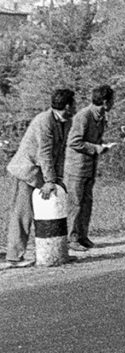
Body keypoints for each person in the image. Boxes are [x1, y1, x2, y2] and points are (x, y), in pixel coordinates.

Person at [5, 88, 76, 267]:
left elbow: (59, 153)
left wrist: (57, 179)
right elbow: (44, 153)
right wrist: (50, 181)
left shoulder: (66, 121)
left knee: (47, 210)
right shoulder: (44, 121)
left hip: (41, 170)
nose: (76, 106)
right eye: (74, 103)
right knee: (23, 213)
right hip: (27, 170)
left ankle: (53, 251)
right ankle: (14, 256)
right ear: (67, 106)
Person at [65, 85, 115, 252]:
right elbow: (73, 142)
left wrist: (103, 146)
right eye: (112, 100)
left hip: (89, 166)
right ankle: (71, 239)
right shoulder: (83, 116)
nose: (114, 103)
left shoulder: (101, 117)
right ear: (106, 102)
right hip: (76, 168)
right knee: (75, 203)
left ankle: (82, 236)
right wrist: (96, 148)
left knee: (86, 203)